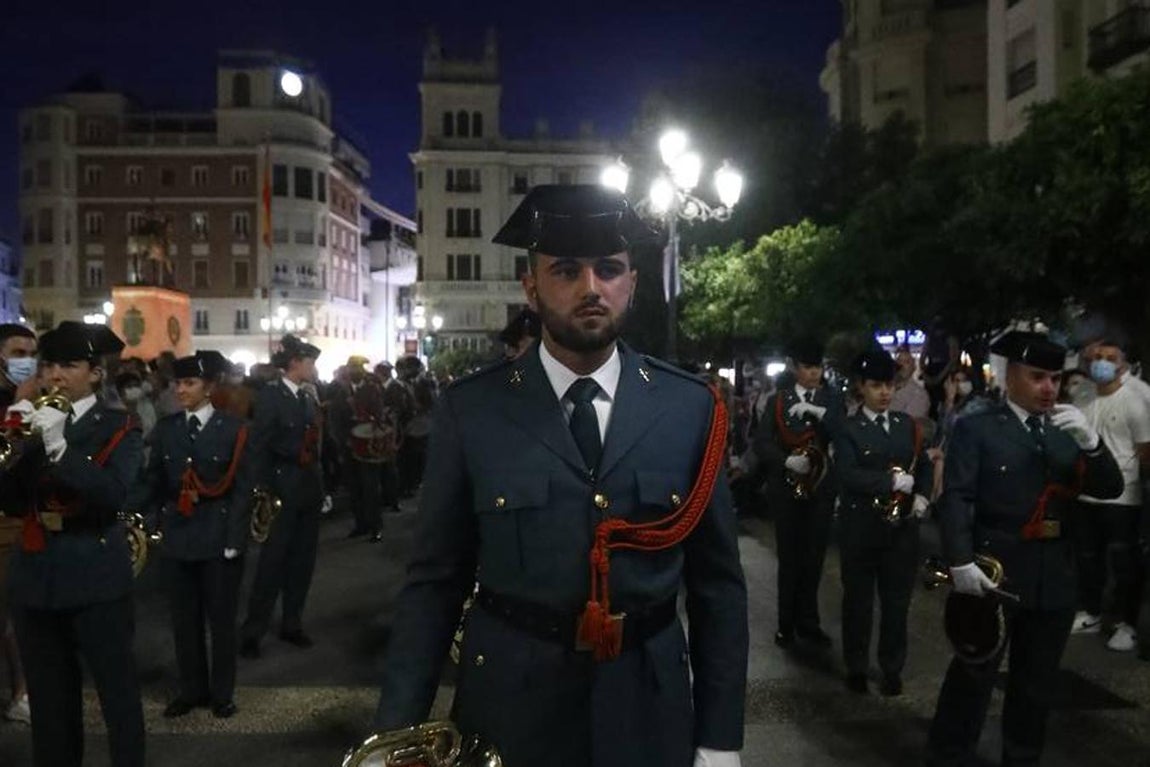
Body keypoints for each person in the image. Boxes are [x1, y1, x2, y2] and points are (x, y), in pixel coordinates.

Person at [371, 185, 748, 767]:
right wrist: (396, 735)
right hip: (511, 710)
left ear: (633, 284)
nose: (591, 288)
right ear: (532, 287)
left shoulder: (689, 407)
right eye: (567, 270)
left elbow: (718, 587)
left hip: (647, 706)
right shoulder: (474, 410)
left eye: (610, 269)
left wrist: (720, 740)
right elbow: (435, 584)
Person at [927, 330, 1123, 767]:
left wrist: (1091, 443)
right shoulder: (978, 426)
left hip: (1053, 573)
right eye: (1038, 377)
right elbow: (958, 496)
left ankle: (1022, 757)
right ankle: (948, 755)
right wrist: (959, 560)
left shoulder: (1064, 431)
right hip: (994, 569)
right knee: (973, 676)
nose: (1049, 388)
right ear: (1012, 376)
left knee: (1037, 684)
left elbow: (1111, 487)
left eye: (1055, 378)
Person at [2, 321, 145, 766]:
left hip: (94, 574)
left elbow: (113, 495)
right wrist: (11, 437)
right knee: (49, 704)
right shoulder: (29, 420)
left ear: (96, 374)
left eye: (69, 364)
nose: (55, 375)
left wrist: (61, 446)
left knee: (116, 694)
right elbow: (10, 503)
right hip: (37, 576)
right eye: (48, 365)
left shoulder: (119, 425)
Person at [130, 350, 253, 719]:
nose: (181, 390)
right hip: (179, 537)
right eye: (177, 383)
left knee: (221, 620)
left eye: (189, 383)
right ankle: (191, 689)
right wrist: (128, 510)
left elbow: (243, 489)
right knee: (184, 621)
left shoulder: (233, 429)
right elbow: (153, 482)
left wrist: (235, 539)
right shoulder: (168, 429)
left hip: (217, 537)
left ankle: (222, 693)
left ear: (209, 387)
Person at [834, 350, 933, 696]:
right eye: (876, 385)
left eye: (889, 385)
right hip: (861, 528)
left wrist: (921, 494)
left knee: (896, 605)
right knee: (858, 603)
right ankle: (857, 666)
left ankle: (892, 667)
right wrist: (888, 483)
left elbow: (923, 463)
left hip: (901, 531)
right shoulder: (848, 428)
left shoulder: (907, 426)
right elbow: (847, 473)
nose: (885, 393)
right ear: (861, 387)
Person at [752, 338, 843, 648]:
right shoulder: (780, 400)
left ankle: (809, 622)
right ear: (795, 368)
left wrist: (818, 412)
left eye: (818, 367)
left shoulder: (832, 400)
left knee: (814, 559)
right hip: (787, 490)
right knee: (790, 558)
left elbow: (842, 431)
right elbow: (762, 442)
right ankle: (786, 624)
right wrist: (785, 460)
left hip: (820, 489)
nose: (814, 373)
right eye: (807, 367)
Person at [240, 335, 324, 657]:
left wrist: (322, 486)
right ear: (294, 364)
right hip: (281, 489)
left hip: (307, 490)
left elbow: (315, 448)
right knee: (271, 564)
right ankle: (253, 630)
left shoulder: (306, 398)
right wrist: (260, 491)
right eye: (309, 362)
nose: (313, 368)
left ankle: (292, 623)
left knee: (302, 562)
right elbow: (258, 447)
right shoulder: (271, 397)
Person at [1068, 339, 1150, 649]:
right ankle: (1091, 612)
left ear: (1122, 364)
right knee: (1088, 558)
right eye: (1097, 357)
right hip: (1085, 495)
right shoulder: (1084, 395)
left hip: (1122, 498)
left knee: (1124, 561)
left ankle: (1126, 623)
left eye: (1109, 357)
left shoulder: (1136, 399)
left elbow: (1145, 452)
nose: (1101, 362)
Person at [329, 355, 389, 541]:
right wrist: (341, 440)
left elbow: (379, 415)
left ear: (363, 370)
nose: (354, 371)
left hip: (367, 445)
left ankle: (375, 526)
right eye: (352, 367)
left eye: (358, 368)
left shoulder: (372, 389)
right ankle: (360, 524)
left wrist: (368, 423)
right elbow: (335, 418)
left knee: (371, 488)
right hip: (349, 445)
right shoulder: (341, 391)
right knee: (354, 488)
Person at [890, 343, 931, 421]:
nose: (901, 365)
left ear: (914, 367)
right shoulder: (885, 390)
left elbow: (909, 424)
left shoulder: (920, 394)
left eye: (907, 362)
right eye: (899, 361)